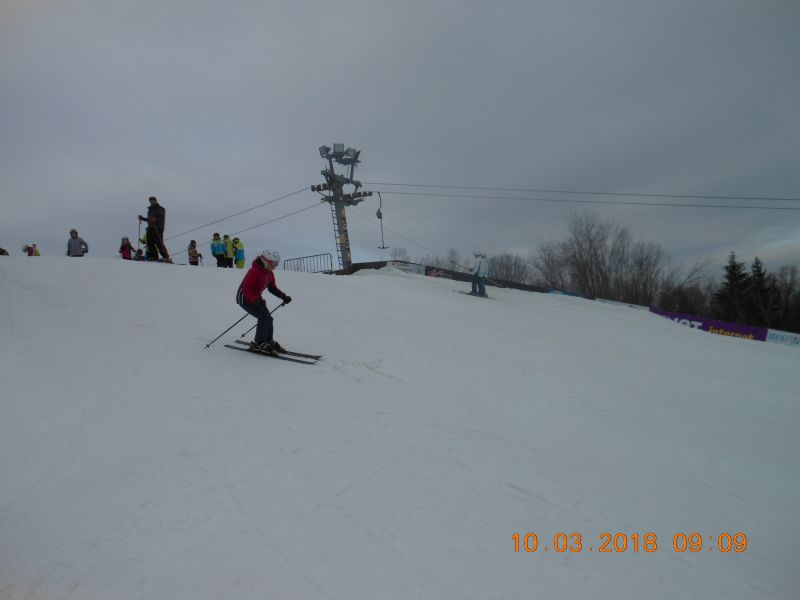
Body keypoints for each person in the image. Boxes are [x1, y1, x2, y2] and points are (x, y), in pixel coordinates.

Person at [236, 249, 292, 354]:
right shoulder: (254, 271)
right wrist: (255, 300)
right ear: (266, 261)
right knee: (264, 317)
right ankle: (259, 342)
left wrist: (283, 297)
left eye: (277, 263)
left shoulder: (269, 273)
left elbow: (272, 288)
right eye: (274, 263)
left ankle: (268, 340)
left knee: (268, 318)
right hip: (244, 298)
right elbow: (246, 289)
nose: (275, 266)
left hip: (256, 299)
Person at [138, 196, 171, 262]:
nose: (151, 202)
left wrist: (155, 219)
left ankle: (165, 256)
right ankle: (154, 256)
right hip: (150, 227)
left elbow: (160, 216)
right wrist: (142, 218)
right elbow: (149, 219)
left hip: (158, 227)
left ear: (155, 201)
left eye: (153, 200)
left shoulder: (161, 209)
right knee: (149, 242)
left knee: (158, 242)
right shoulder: (150, 210)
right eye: (150, 201)